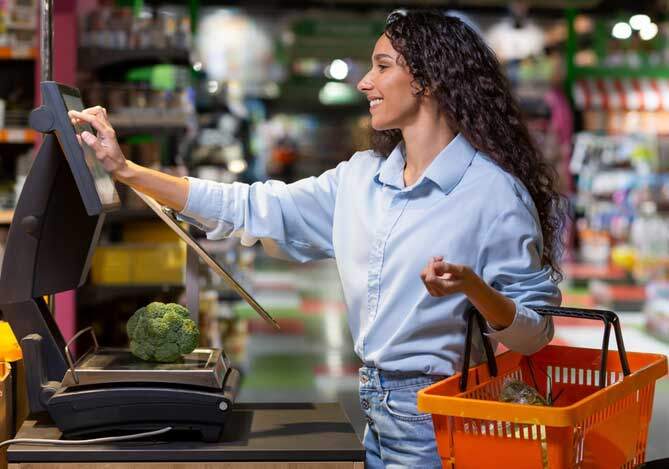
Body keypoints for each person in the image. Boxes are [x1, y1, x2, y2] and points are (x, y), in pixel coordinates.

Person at [69, 10, 564, 468]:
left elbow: (534, 333)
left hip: (444, 416)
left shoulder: (493, 194)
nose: (364, 81)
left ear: (428, 79)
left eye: (382, 65)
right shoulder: (361, 180)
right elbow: (250, 205)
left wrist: (472, 287)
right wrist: (126, 169)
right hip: (375, 408)